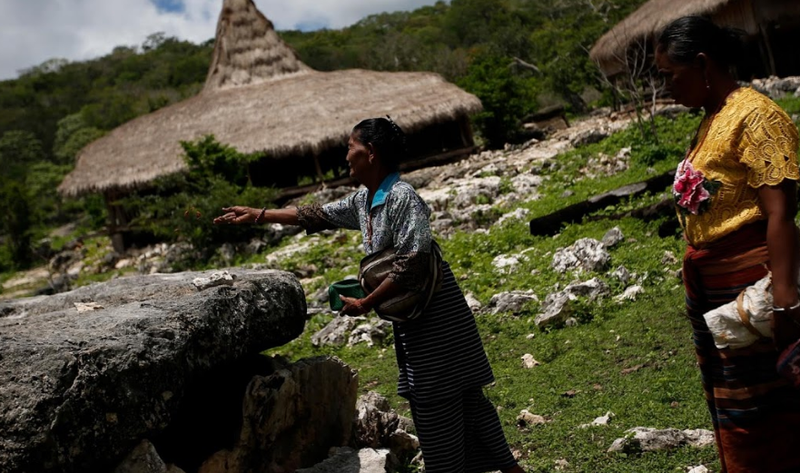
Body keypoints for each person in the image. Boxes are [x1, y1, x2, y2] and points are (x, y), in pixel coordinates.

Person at [214, 117, 525, 473]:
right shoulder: (365, 200)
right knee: (463, 399)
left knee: (438, 403)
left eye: (351, 147)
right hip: (412, 317)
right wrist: (260, 214)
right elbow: (316, 214)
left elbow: (413, 264)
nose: (346, 155)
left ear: (371, 153)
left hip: (437, 315)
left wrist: (367, 302)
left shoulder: (402, 197)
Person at [656, 16, 800, 473]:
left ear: (701, 64)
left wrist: (783, 300)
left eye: (669, 76)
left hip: (752, 281)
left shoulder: (756, 116)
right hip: (714, 287)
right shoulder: (710, 121)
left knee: (767, 406)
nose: (666, 89)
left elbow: (780, 211)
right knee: (737, 404)